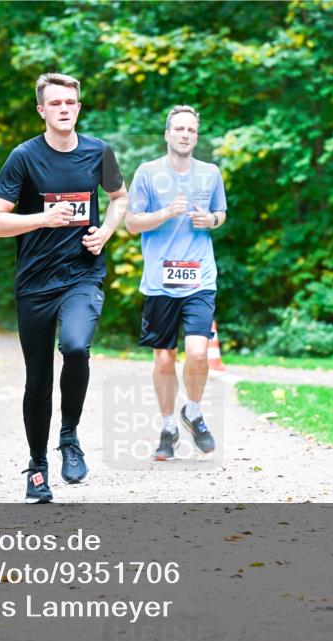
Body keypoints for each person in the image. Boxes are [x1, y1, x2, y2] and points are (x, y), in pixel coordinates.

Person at [0, 72, 127, 503]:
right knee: (38, 381)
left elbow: (119, 198)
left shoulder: (98, 152)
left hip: (82, 275)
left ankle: (69, 437)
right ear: (42, 110)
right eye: (56, 103)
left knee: (77, 347)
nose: (65, 109)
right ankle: (37, 467)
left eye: (71, 102)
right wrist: (42, 219)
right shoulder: (23, 158)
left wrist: (105, 233)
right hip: (35, 284)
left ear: (78, 108)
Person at [124, 105, 227, 460]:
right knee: (164, 358)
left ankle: (193, 412)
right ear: (167, 134)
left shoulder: (211, 173)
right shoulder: (148, 174)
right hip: (160, 281)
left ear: (196, 136)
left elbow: (221, 214)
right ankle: (168, 425)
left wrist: (210, 220)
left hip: (200, 277)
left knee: (198, 352)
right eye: (179, 128)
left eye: (191, 130)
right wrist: (166, 213)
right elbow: (132, 223)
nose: (185, 134)